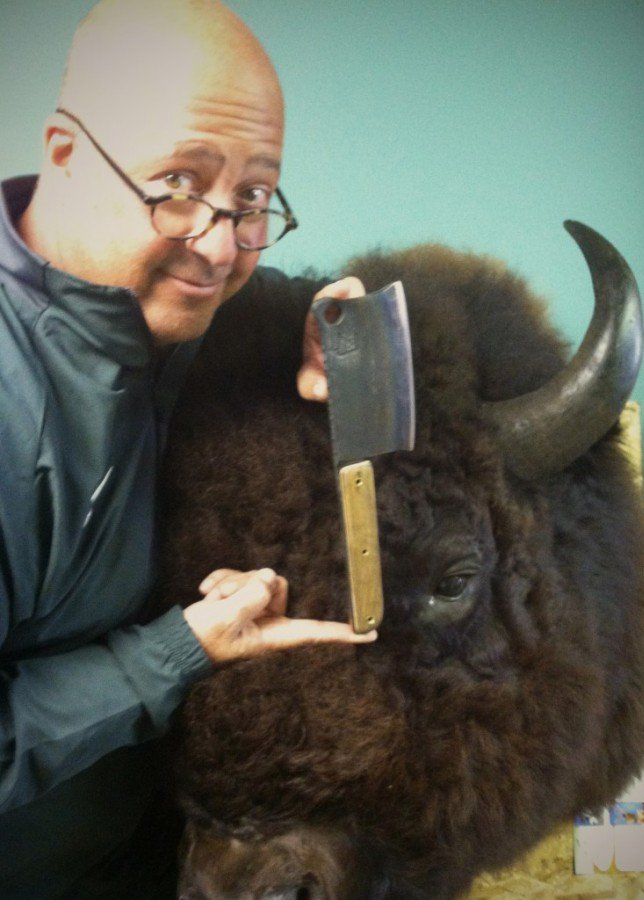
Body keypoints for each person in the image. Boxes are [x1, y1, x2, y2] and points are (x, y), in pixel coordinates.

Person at [0, 1, 376, 896]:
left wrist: (310, 318)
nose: (216, 248)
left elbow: (235, 285)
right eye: (176, 182)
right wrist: (173, 655)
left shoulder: (151, 302)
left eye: (252, 199)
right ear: (64, 152)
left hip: (136, 840)